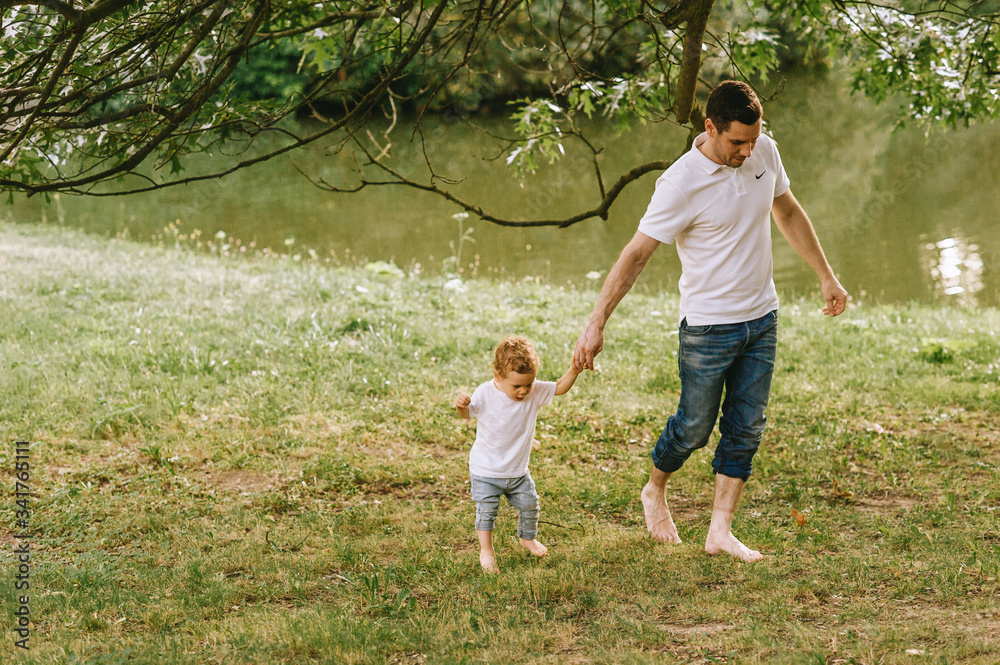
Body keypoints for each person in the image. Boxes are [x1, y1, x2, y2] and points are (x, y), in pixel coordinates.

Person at [572, 80, 848, 562]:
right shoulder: (680, 183)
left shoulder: (764, 151)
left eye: (754, 138)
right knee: (695, 427)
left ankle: (720, 531)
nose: (748, 150)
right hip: (707, 327)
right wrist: (597, 322)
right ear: (710, 128)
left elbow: (786, 210)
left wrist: (826, 275)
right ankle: (654, 489)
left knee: (746, 425)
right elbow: (637, 254)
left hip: (762, 318)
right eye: (737, 141)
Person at [455, 334, 582, 573]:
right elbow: (468, 415)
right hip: (486, 470)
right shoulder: (485, 392)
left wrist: (574, 369)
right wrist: (461, 406)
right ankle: (487, 550)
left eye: (529, 384)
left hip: (517, 471)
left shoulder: (533, 392)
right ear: (498, 377)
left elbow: (560, 387)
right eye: (516, 386)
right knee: (486, 513)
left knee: (530, 505)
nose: (524, 391)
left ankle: (527, 538)